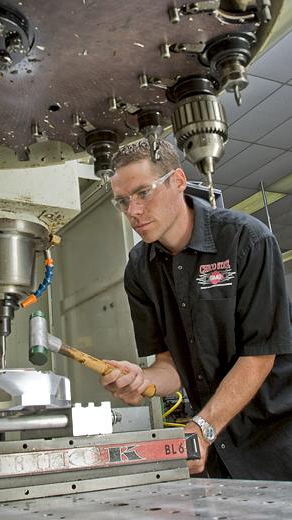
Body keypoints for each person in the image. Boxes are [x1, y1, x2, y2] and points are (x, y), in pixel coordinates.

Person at [100, 139, 292, 480]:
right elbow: (169, 364)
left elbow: (260, 355)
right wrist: (141, 380)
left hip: (275, 439)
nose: (133, 211)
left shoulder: (247, 240)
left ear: (178, 181)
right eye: (122, 201)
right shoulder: (139, 268)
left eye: (143, 193)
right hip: (214, 449)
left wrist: (204, 426)